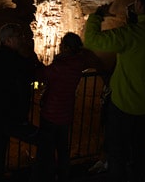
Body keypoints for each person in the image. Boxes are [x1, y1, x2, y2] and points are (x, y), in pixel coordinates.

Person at [83, 0, 145, 182]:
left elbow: (92, 40)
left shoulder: (130, 34)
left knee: (118, 151)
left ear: (139, 4)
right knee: (141, 148)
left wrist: (96, 16)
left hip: (124, 103)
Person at [31, 32, 105, 182]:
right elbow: (91, 61)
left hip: (50, 114)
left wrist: (35, 63)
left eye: (61, 45)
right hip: (66, 114)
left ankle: (48, 176)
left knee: (48, 149)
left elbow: (41, 75)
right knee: (63, 148)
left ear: (65, 47)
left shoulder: (59, 66)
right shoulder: (79, 63)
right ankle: (64, 175)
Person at [0, 23, 39, 182]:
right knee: (43, 140)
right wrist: (30, 55)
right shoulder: (15, 60)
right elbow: (32, 71)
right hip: (11, 115)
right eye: (18, 36)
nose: (21, 39)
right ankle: (41, 174)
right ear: (7, 41)